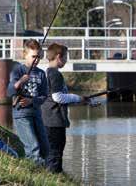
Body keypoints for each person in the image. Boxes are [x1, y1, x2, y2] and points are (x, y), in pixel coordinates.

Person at [41, 43, 100, 173]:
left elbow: (61, 98)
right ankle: (54, 176)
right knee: (56, 152)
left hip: (48, 120)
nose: (67, 60)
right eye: (66, 56)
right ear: (58, 57)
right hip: (54, 121)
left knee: (52, 152)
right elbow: (58, 97)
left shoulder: (47, 73)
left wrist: (85, 101)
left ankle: (53, 175)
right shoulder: (55, 74)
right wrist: (78, 98)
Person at [6, 39, 49, 165]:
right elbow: (9, 91)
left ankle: (43, 169)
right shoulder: (17, 71)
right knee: (33, 147)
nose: (36, 60)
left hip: (36, 113)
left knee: (45, 147)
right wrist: (20, 82)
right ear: (25, 55)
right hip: (22, 114)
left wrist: (32, 101)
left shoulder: (41, 74)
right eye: (33, 56)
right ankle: (35, 173)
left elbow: (44, 95)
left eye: (39, 56)